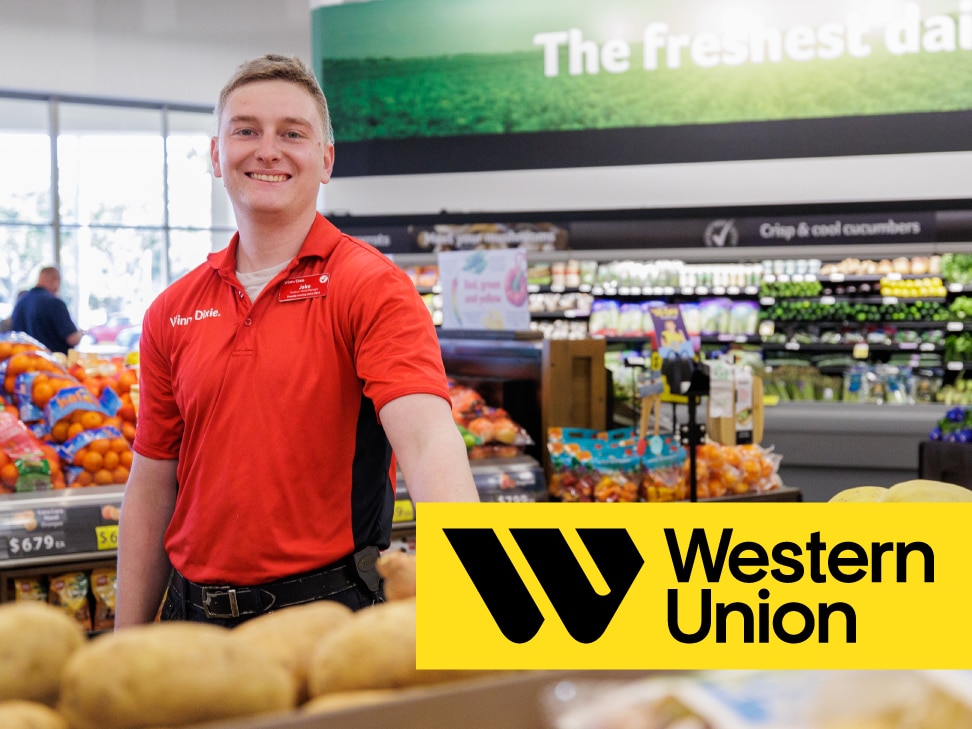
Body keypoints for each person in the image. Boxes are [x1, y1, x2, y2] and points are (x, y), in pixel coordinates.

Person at [115, 54, 480, 629]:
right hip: (189, 622)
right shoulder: (172, 309)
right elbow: (153, 481)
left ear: (326, 159)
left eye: (292, 133)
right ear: (216, 155)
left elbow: (430, 444)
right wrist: (125, 641)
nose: (267, 149)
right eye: (245, 131)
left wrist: (472, 607)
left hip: (327, 614)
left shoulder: (371, 286)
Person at [9, 269, 83, 354]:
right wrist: (81, 333)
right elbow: (73, 339)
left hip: (24, 362)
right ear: (55, 280)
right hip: (52, 363)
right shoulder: (54, 303)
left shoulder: (21, 302)